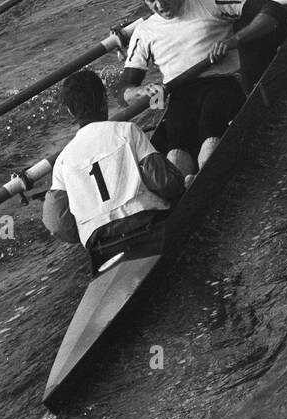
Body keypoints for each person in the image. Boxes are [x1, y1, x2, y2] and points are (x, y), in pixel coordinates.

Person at [119, 0, 284, 183]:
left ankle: (203, 173)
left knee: (210, 129)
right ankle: (187, 184)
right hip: (180, 96)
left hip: (222, 84)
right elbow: (124, 91)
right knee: (177, 148)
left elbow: (273, 10)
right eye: (151, 1)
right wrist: (142, 92)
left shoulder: (211, 0)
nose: (159, 6)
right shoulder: (144, 32)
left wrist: (234, 40)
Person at [42, 69, 184, 273]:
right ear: (104, 101)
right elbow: (165, 182)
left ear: (71, 113)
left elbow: (57, 224)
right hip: (147, 227)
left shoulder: (62, 161)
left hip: (101, 246)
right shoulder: (127, 130)